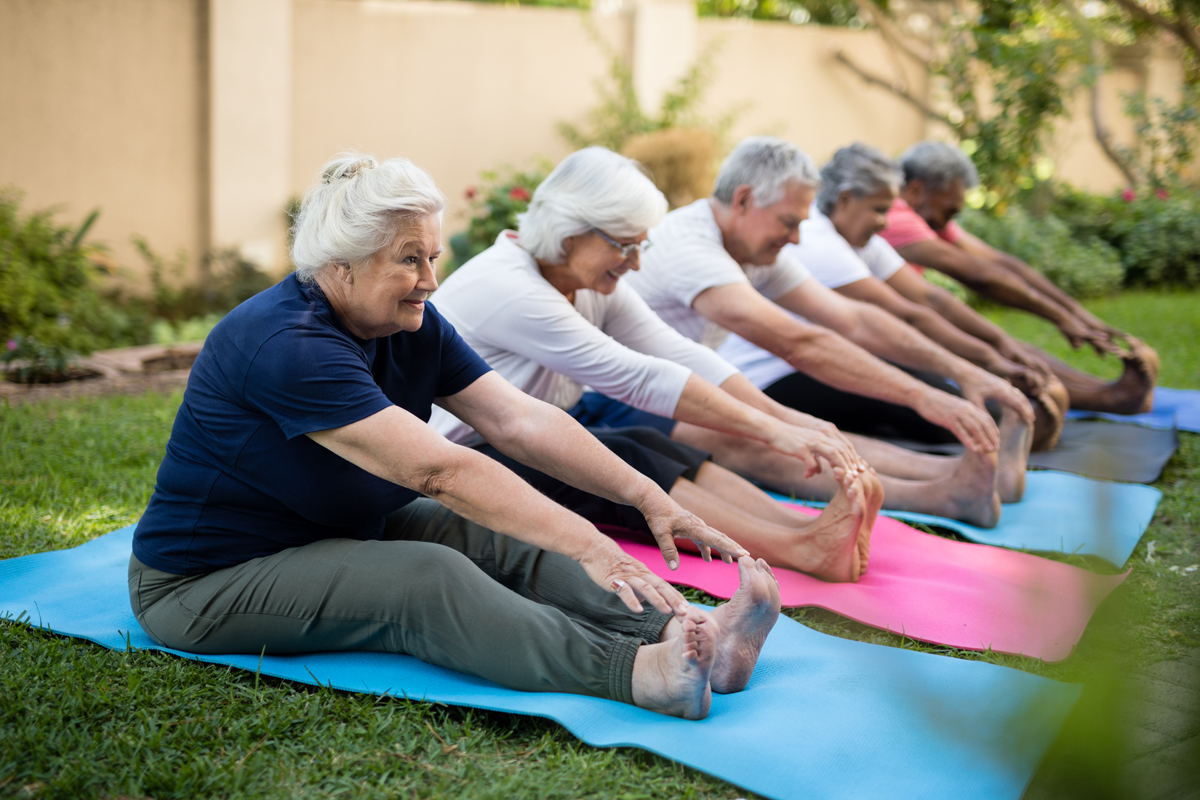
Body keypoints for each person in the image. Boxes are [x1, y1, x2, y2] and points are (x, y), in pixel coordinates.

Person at [126, 152, 783, 721]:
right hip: (205, 581)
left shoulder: (412, 322)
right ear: (342, 264)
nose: (431, 280)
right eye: (409, 259)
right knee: (427, 575)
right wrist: (589, 543)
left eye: (433, 256)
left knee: (493, 529)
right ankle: (641, 674)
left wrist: (646, 497)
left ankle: (688, 634)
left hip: (337, 528)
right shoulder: (284, 343)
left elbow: (518, 418)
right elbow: (437, 471)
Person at [431, 146, 879, 581]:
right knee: (622, 458)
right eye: (626, 246)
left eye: (640, 244)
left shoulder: (579, 276)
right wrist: (775, 432)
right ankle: (801, 550)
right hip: (452, 469)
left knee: (643, 437)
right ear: (571, 235)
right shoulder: (510, 288)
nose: (637, 262)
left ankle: (803, 527)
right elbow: (639, 378)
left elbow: (676, 351)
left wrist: (788, 419)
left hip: (507, 443)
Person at [625, 137, 1034, 524]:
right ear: (744, 200)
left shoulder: (751, 244)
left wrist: (963, 370)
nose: (797, 238)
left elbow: (852, 318)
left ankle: (959, 476)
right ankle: (943, 497)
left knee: (799, 425)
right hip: (613, 396)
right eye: (789, 222)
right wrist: (924, 395)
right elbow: (799, 344)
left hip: (674, 384)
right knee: (743, 429)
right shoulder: (690, 246)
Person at [777, 142, 1065, 451]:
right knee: (924, 396)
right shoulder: (819, 242)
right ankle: (1003, 432)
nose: (885, 222)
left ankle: (1000, 423)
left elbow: (931, 299)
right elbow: (907, 314)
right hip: (781, 375)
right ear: (845, 199)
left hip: (825, 357)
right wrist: (988, 360)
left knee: (924, 377)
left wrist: (1001, 344)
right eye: (879, 210)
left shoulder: (860, 241)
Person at [880, 140, 1159, 416]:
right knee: (972, 340)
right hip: (880, 328)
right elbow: (978, 276)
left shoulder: (921, 214)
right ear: (916, 189)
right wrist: (1061, 317)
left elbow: (1001, 263)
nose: (946, 222)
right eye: (949, 210)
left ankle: (1105, 391)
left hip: (899, 316)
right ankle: (1108, 398)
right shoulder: (895, 216)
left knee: (986, 336)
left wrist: (1074, 312)